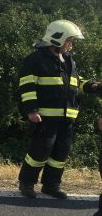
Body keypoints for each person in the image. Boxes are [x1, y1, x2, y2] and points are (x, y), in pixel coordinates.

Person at [17, 20, 100, 199]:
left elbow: (76, 83)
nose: (71, 44)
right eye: (69, 40)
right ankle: (27, 183)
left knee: (60, 154)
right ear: (57, 39)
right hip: (45, 117)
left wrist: (92, 86)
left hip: (67, 118)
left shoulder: (69, 60)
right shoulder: (35, 59)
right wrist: (31, 111)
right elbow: (27, 86)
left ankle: (51, 185)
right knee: (39, 152)